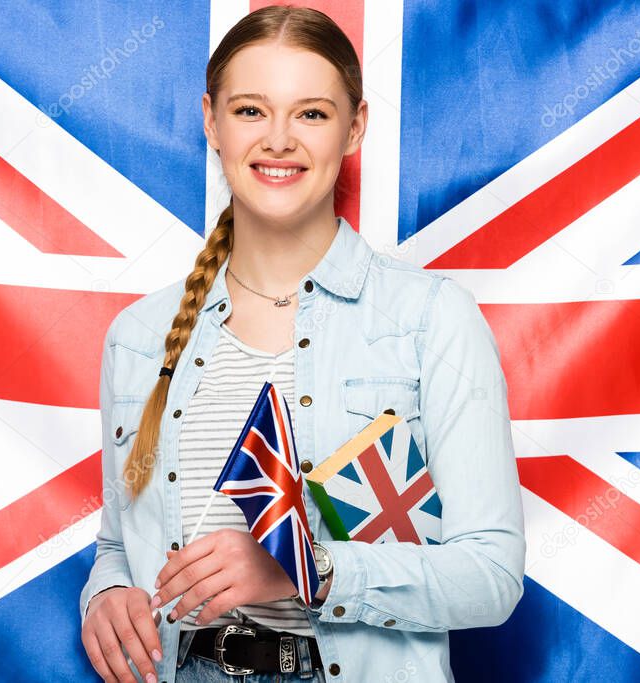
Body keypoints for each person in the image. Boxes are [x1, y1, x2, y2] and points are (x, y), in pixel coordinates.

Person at [79, 5, 526, 682]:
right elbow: (118, 544)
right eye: (251, 111)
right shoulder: (138, 337)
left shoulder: (431, 319)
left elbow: (492, 573)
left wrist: (310, 569)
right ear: (211, 121)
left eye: (311, 113)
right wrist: (106, 592)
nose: (279, 139)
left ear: (355, 128)